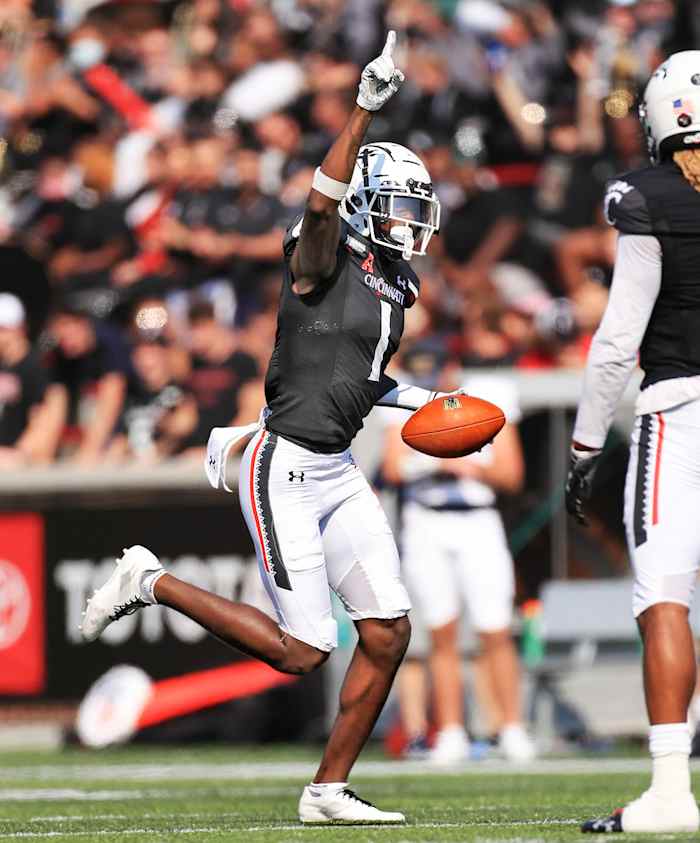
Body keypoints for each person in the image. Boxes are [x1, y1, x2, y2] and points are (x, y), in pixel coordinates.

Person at [82, 33, 447, 825]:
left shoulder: (396, 287)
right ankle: (150, 579)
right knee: (303, 650)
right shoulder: (322, 256)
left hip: (337, 464)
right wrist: (362, 109)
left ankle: (327, 790)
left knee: (387, 633)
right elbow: (319, 205)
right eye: (401, 209)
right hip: (283, 464)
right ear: (364, 206)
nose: (414, 225)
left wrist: (420, 400)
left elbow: (354, 376)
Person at [566, 51, 700, 834]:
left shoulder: (647, 195)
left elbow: (618, 340)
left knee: (665, 599)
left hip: (679, 409)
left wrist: (584, 445)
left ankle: (671, 791)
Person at [382, 348, 535, 764]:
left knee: (495, 629)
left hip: (477, 520)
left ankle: (512, 727)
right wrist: (436, 457)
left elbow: (511, 474)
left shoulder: (488, 397)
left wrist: (469, 467)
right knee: (441, 631)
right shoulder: (404, 402)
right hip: (427, 521)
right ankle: (450, 730)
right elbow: (394, 467)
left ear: (451, 370)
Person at [0, 293, 55, 467]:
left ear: (20, 328)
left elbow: (44, 421)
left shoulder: (36, 367)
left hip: (20, 464)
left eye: (3, 329)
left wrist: (19, 455)